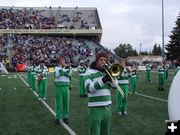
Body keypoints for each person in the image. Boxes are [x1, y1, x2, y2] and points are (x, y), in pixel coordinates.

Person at [84, 52, 112, 135]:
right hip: (95, 108)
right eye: (101, 60)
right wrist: (103, 80)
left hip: (107, 107)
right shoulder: (89, 72)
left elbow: (114, 86)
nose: (103, 62)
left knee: (105, 132)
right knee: (95, 133)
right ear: (96, 60)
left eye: (105, 60)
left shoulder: (106, 72)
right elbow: (89, 88)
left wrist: (111, 78)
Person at [54, 55, 71, 125]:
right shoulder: (56, 68)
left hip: (66, 87)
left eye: (63, 60)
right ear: (59, 61)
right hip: (59, 87)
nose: (62, 61)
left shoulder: (68, 67)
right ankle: (57, 117)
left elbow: (69, 75)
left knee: (66, 103)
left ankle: (65, 117)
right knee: (58, 103)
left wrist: (64, 71)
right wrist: (63, 70)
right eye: (60, 60)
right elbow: (56, 75)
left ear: (65, 60)